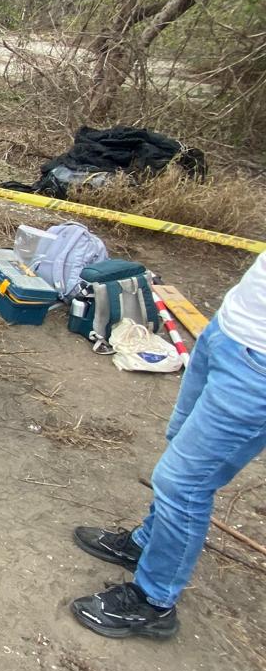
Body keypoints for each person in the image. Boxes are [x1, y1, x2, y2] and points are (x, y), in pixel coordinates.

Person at [69, 251, 266, 640]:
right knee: (179, 440)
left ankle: (155, 601)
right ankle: (146, 543)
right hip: (229, 330)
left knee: (185, 484)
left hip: (256, 369)